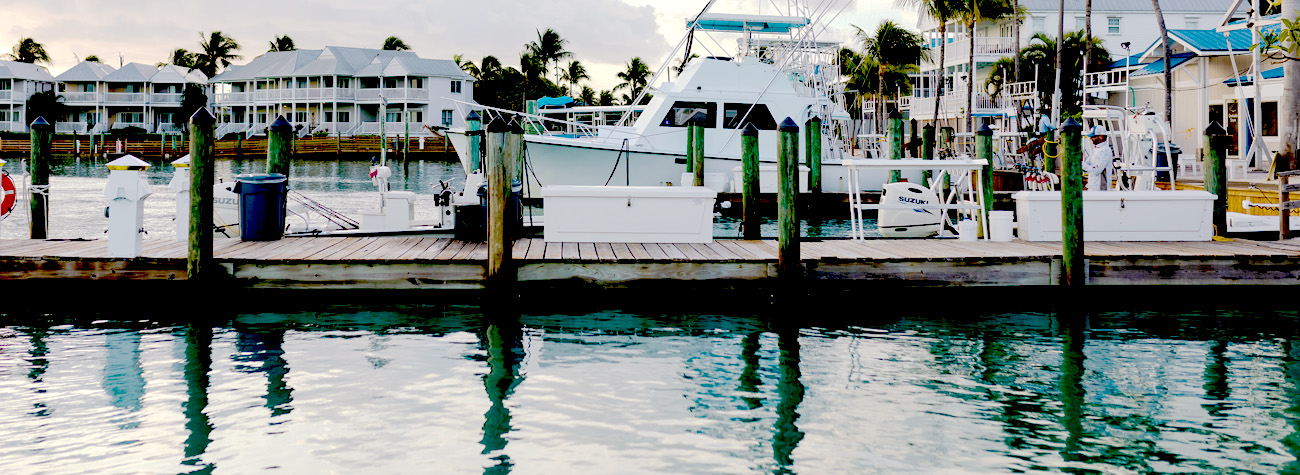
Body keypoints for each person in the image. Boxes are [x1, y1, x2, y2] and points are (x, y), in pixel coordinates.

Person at [1083, 125, 1114, 190]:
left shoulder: (1106, 150)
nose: (1091, 138)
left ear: (1101, 137)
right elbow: (1086, 164)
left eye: (1093, 137)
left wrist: (1081, 164)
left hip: (1101, 189)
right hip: (1093, 187)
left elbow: (1097, 171)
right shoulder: (1096, 149)